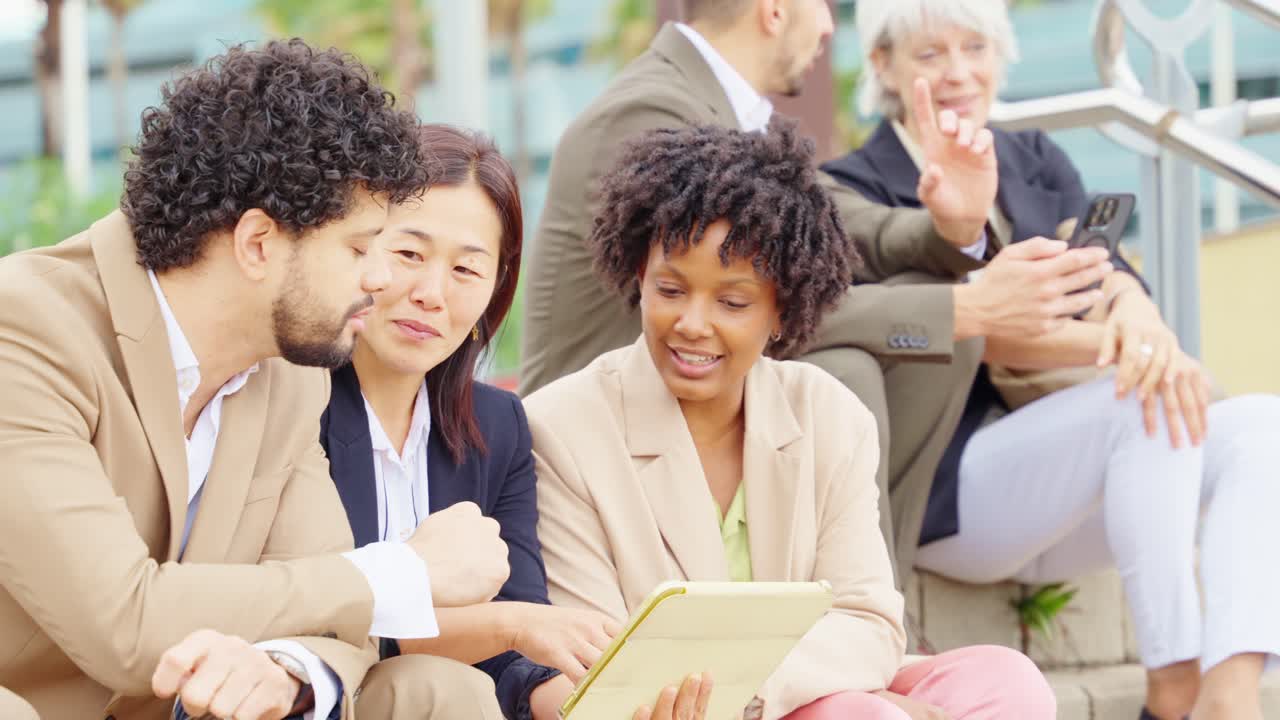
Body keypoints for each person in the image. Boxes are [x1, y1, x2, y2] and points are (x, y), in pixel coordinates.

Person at [0, 40, 510, 720]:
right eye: (360, 249)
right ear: (257, 243)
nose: (383, 278)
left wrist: (288, 668)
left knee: (437, 693)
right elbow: (122, 623)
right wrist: (402, 570)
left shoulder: (289, 376)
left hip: (190, 708)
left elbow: (341, 616)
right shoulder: (25, 330)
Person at [518, 0, 1111, 583]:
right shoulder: (653, 108)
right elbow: (721, 297)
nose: (830, 25)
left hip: (704, 384)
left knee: (934, 335)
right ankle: (842, 602)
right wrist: (966, 308)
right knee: (846, 371)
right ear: (774, 10)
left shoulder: (735, 111)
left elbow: (844, 226)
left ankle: (876, 596)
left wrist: (953, 225)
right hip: (615, 422)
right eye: (825, 5)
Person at [824, 2, 1280, 719]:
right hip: (956, 488)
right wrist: (1130, 346)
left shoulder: (1032, 155)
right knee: (1138, 396)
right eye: (930, 53)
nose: (958, 71)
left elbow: (1109, 270)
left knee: (1260, 426)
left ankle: (1231, 692)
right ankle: (1171, 684)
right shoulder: (851, 187)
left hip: (1089, 479)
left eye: (975, 46)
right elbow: (975, 333)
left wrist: (1135, 311)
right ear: (881, 65)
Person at [526, 121, 1056, 720]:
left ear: (783, 309)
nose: (693, 324)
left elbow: (869, 621)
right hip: (679, 712)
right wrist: (806, 697)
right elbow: (612, 669)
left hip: (809, 688)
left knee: (1006, 682)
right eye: (670, 290)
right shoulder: (559, 429)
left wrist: (785, 689)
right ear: (638, 281)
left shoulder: (829, 414)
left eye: (732, 302)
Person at [321, 124, 620, 720]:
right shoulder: (292, 403)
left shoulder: (499, 424)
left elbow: (515, 660)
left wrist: (614, 704)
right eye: (409, 254)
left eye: (466, 270)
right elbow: (327, 618)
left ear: (494, 292)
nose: (432, 293)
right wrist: (508, 624)